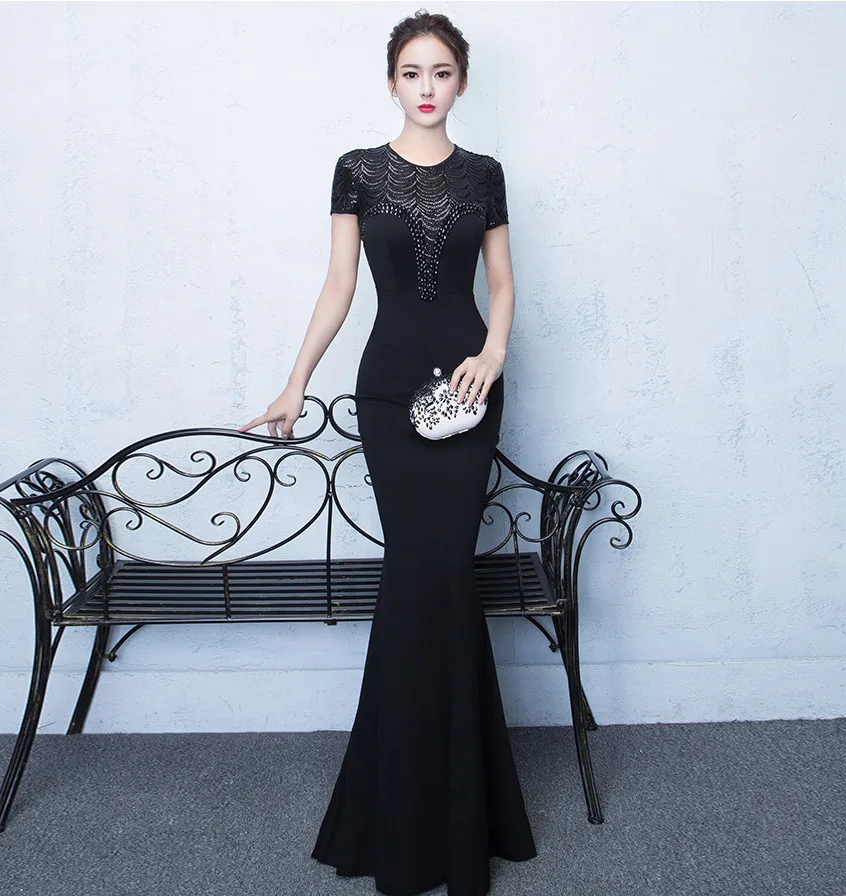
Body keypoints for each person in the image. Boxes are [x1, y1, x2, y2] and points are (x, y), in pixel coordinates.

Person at [238, 10, 537, 895]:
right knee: (419, 577)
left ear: (462, 81)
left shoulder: (485, 174)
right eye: (413, 72)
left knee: (444, 576)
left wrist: (494, 355)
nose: (427, 87)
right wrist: (296, 381)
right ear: (392, 83)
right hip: (388, 392)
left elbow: (503, 283)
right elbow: (339, 285)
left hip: (469, 391)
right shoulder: (357, 170)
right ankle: (406, 814)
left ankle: (461, 812)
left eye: (442, 72)